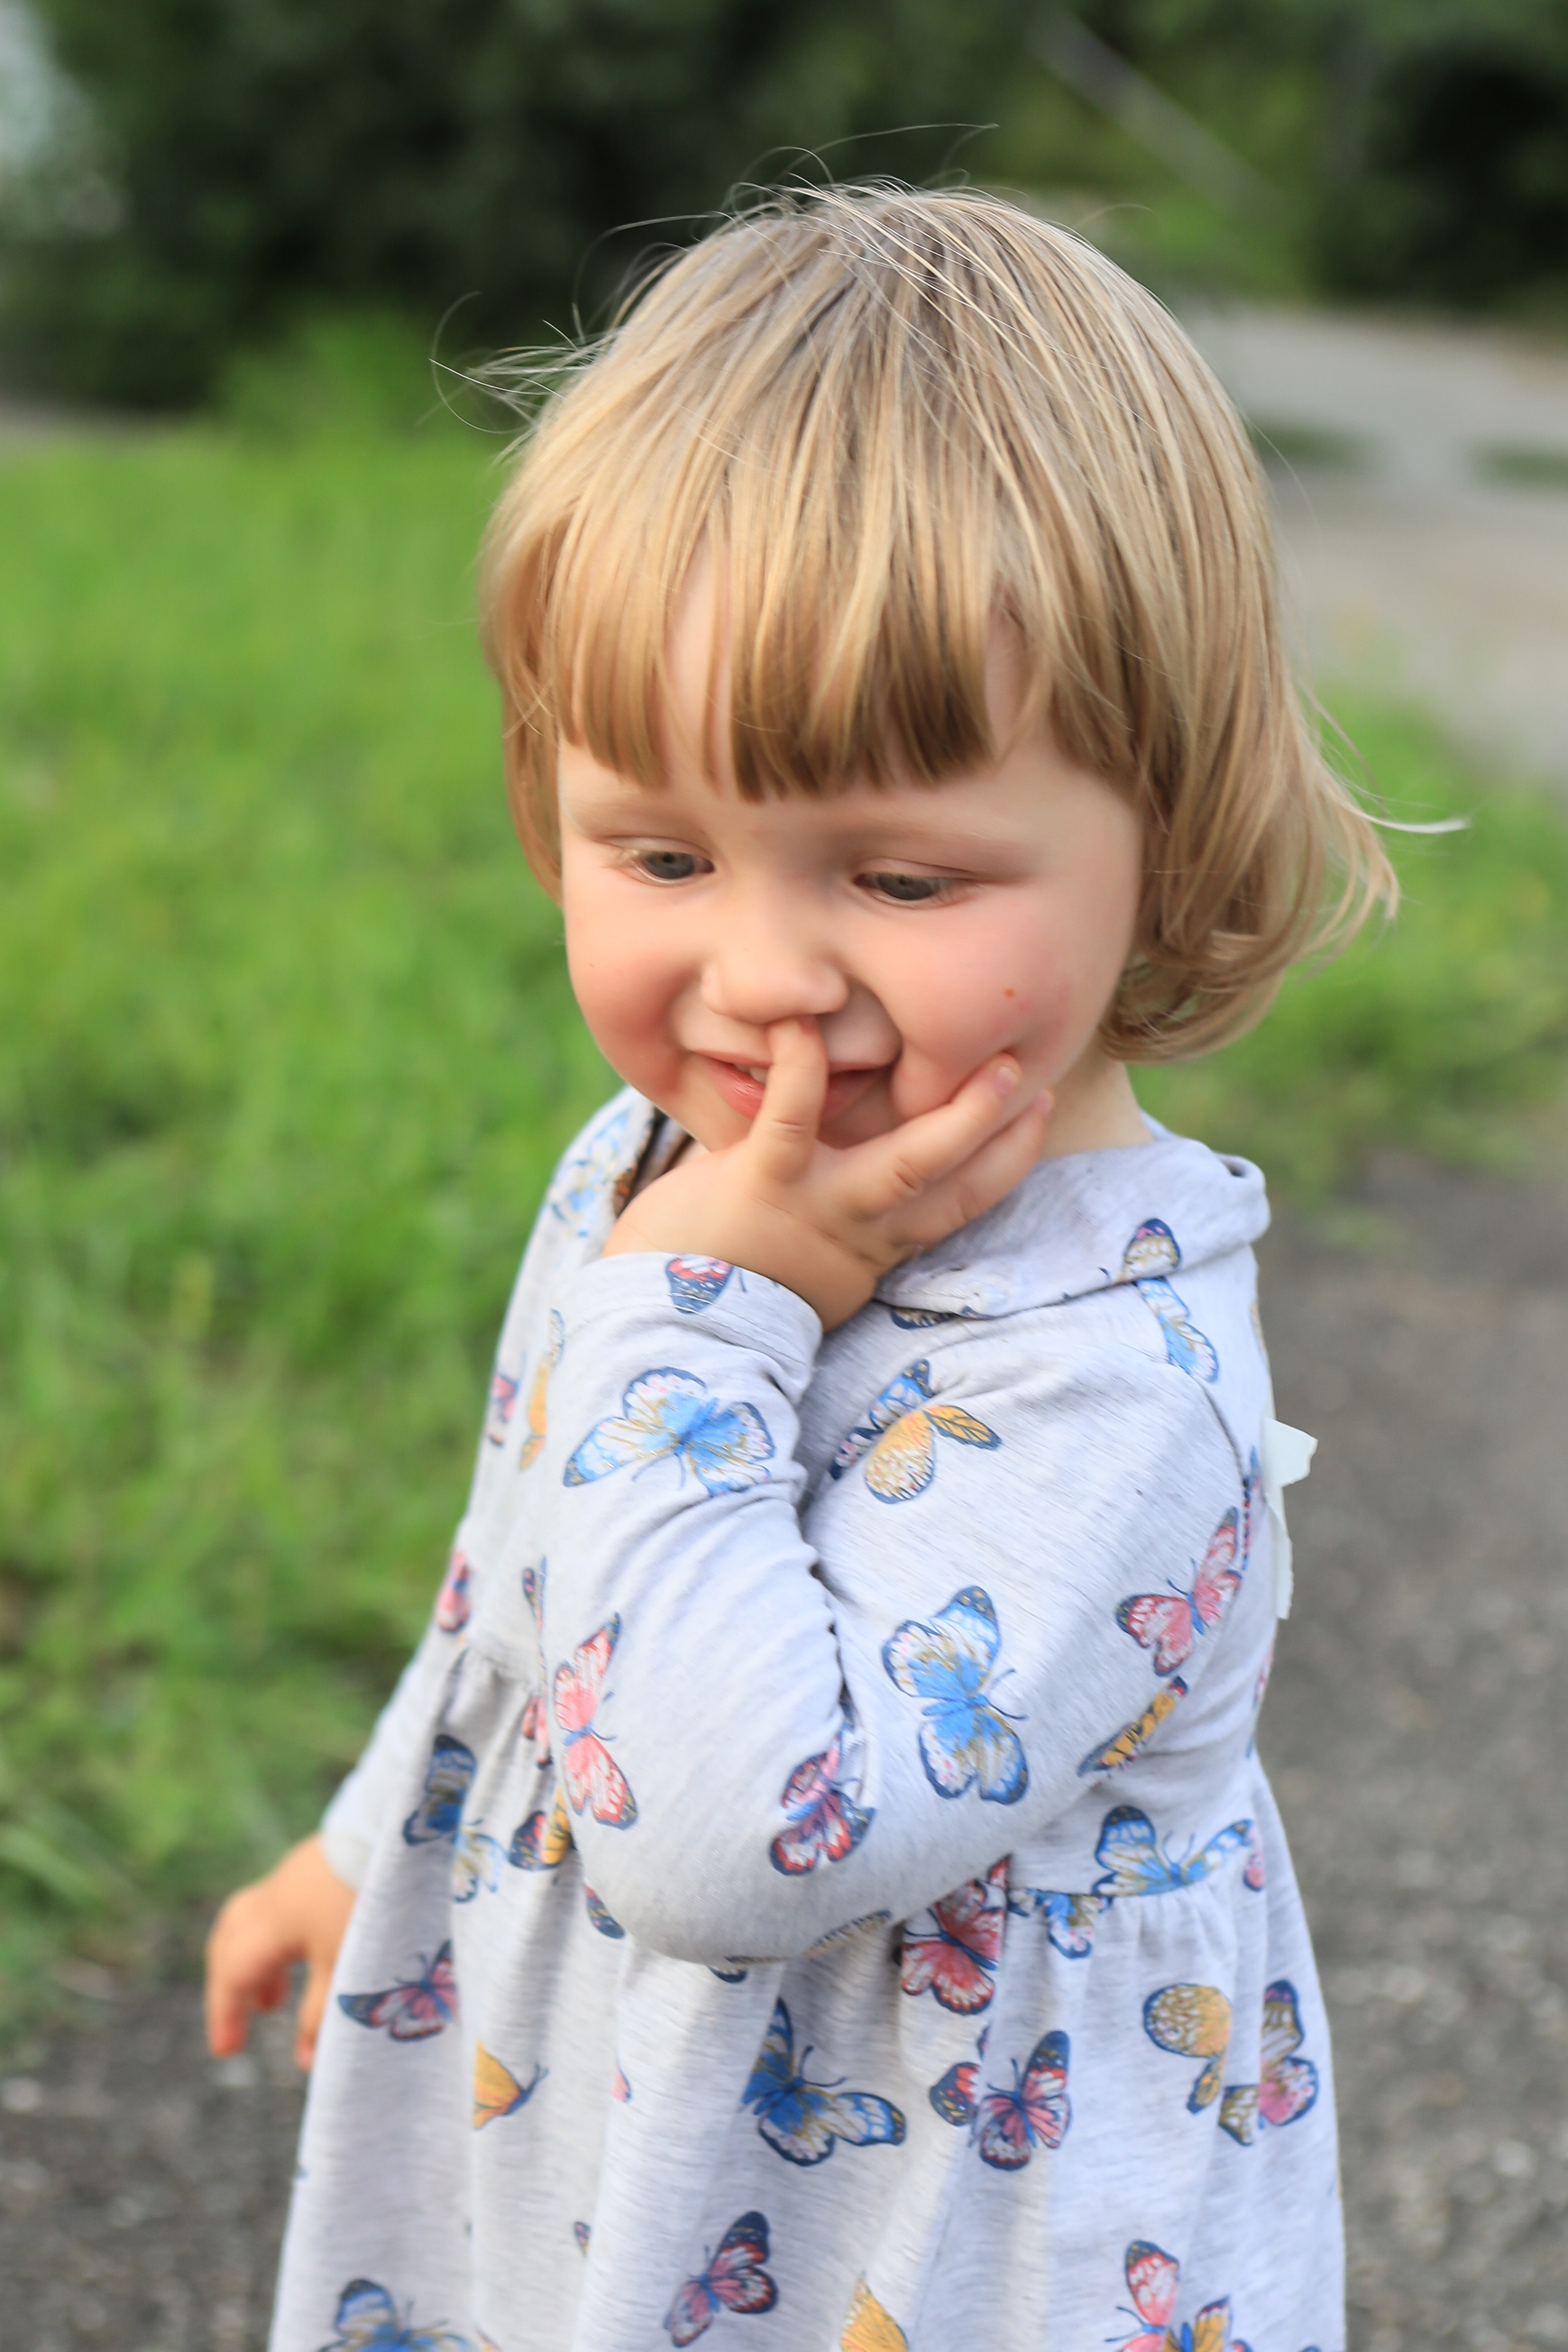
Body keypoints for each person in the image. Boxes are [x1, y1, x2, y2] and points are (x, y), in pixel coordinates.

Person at [206, 186, 1392, 2352]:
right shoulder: (659, 1179)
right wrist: (371, 1826)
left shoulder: (1116, 1378)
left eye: (903, 873)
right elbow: (528, 1566)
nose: (760, 978)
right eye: (657, 851)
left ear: (1175, 838)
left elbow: (743, 1843)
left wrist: (697, 1310)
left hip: (942, 2235)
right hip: (602, 2147)